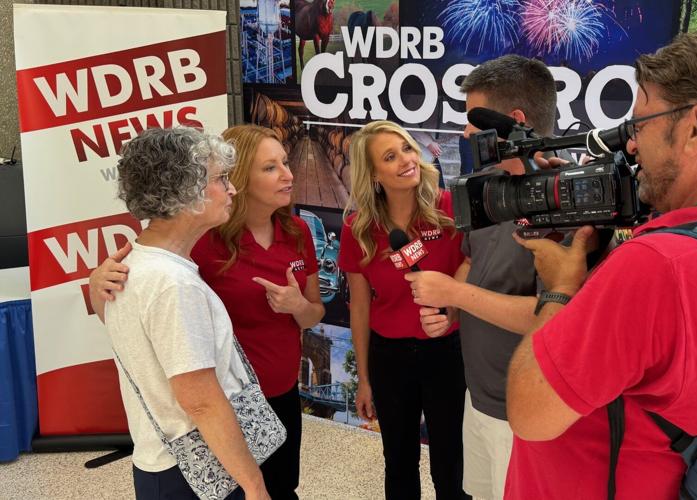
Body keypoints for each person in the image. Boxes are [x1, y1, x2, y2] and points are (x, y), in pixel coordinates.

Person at [504, 28, 697, 499]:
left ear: (695, 127)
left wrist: (559, 289)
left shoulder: (658, 265)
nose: (630, 145)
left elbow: (529, 413)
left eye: (640, 124)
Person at [92, 125, 324, 499]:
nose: (229, 188)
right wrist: (253, 485)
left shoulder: (145, 264)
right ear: (185, 190)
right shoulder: (175, 282)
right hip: (194, 460)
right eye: (220, 178)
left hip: (178, 454)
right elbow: (200, 400)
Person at [404, 54, 558, 500]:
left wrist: (455, 293)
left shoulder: (568, 202)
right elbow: (473, 258)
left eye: (473, 120)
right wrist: (451, 304)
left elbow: (552, 317)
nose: (466, 133)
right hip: (480, 399)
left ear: (512, 121)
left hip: (528, 415)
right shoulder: (486, 186)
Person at [337, 120, 467, 500]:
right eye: (390, 157)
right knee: (398, 462)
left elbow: (468, 276)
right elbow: (359, 308)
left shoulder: (448, 209)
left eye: (407, 149)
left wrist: (452, 314)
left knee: (452, 464)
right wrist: (363, 379)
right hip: (389, 357)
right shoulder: (357, 229)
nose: (406, 160)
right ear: (374, 174)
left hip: (447, 353)